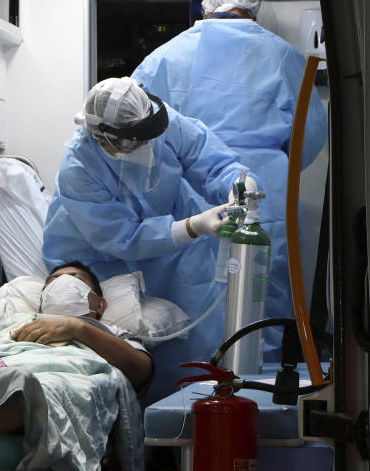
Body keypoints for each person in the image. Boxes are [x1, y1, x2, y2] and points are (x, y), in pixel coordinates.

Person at [130, 0, 328, 363]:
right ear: (255, 0)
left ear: (202, 1)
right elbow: (310, 136)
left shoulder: (161, 60)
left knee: (189, 294)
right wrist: (271, 165)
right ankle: (258, 393)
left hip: (189, 198)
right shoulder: (286, 58)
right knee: (262, 296)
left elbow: (134, 137)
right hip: (264, 196)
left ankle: (188, 390)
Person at [42, 77, 255, 404]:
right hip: (100, 254)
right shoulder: (79, 168)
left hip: (174, 239)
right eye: (133, 142)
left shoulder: (159, 121)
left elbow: (208, 159)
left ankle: (197, 409)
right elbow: (122, 236)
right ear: (102, 137)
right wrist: (194, 226)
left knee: (194, 331)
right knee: (126, 345)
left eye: (149, 137)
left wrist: (237, 183)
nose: (146, 148)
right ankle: (146, 426)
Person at [0, 260, 154, 434]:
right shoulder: (16, 323)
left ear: (100, 305)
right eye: (54, 279)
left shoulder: (113, 334)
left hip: (53, 382)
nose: (63, 281)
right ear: (40, 305)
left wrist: (77, 328)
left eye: (74, 277)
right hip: (5, 373)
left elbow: (142, 370)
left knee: (32, 394)